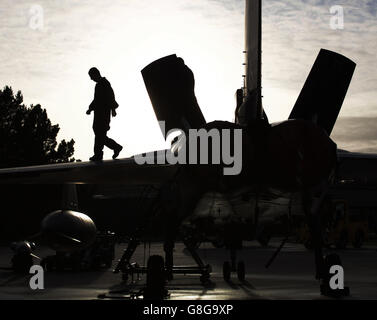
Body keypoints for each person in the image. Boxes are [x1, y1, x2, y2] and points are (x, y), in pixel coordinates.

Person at [86, 67, 123, 161]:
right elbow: (96, 100)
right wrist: (90, 108)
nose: (91, 79)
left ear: (96, 74)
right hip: (98, 114)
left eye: (91, 76)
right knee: (99, 133)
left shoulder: (105, 84)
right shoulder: (98, 85)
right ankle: (101, 153)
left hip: (103, 115)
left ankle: (111, 149)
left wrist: (114, 109)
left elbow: (111, 97)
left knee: (100, 134)